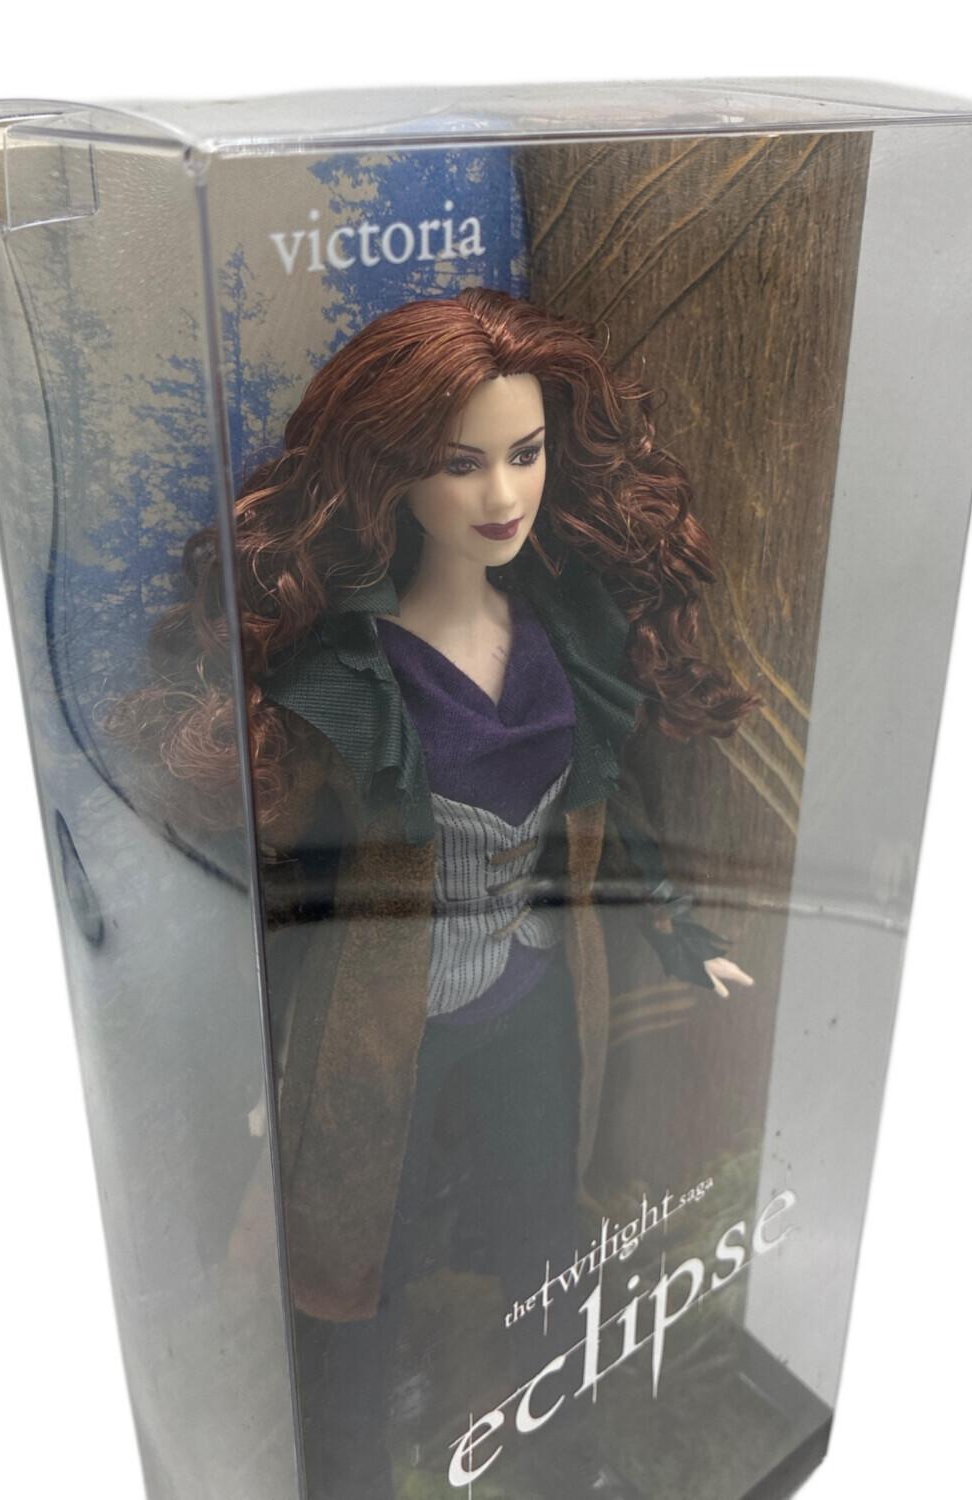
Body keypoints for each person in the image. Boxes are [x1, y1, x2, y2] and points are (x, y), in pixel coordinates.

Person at [115, 287, 757, 1498]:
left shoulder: (567, 632)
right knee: (362, 1267)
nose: (504, 495)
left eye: (526, 453)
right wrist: (262, 1062)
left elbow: (603, 819)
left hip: (535, 1002)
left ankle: (560, 1463)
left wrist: (679, 930)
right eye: (462, 465)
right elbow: (289, 901)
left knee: (543, 1235)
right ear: (393, 474)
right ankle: (347, 1475)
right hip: (384, 1030)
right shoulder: (349, 681)